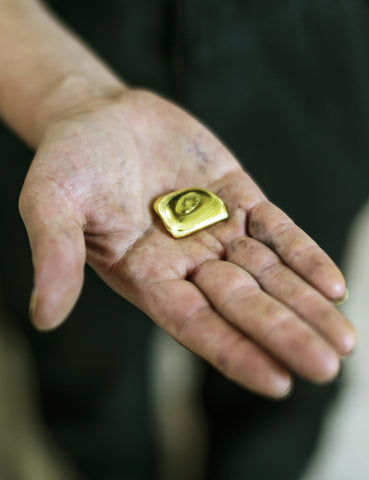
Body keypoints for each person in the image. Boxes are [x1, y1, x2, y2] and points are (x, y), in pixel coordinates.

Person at [0, 1, 367, 479]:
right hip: (50, 36)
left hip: (313, 56)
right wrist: (60, 88)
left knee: (288, 334)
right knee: (84, 358)